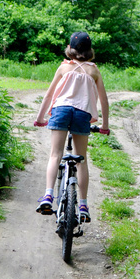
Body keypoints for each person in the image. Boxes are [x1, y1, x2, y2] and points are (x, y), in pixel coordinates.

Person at [34, 31, 110, 222]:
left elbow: (49, 96)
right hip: (82, 114)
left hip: (60, 110)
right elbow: (104, 101)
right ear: (89, 51)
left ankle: (48, 195)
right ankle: (83, 205)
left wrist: (40, 118)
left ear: (70, 49)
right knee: (81, 160)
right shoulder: (94, 71)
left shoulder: (63, 68)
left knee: (55, 154)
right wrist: (105, 125)